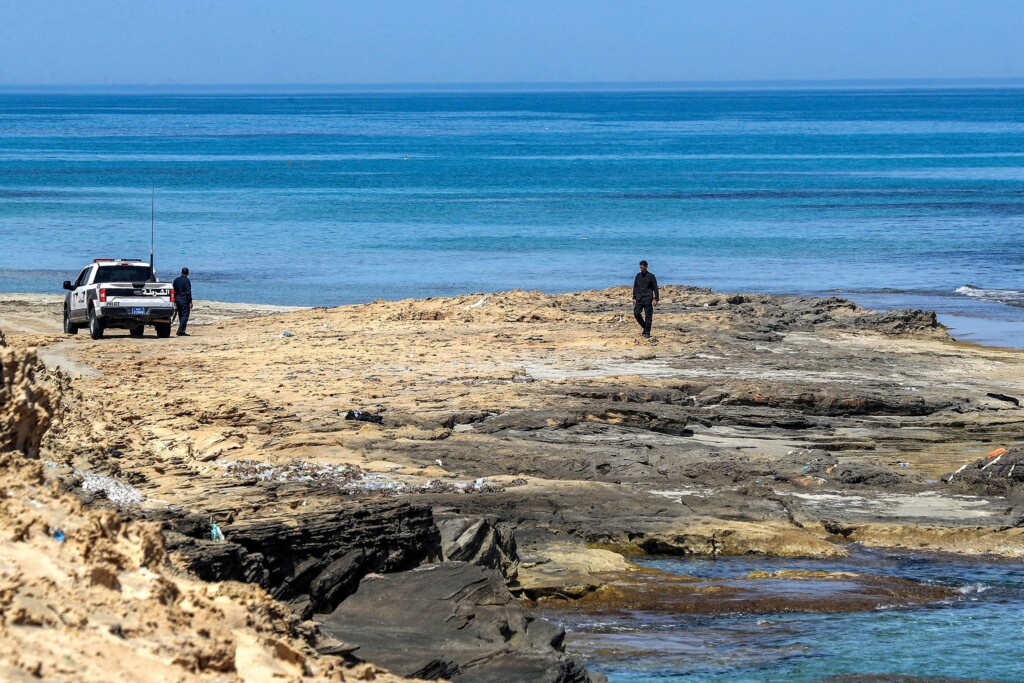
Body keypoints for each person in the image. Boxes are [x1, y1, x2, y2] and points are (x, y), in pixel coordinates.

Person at [632, 260, 659, 338]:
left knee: (648, 316)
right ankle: (645, 327)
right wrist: (634, 297)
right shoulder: (638, 276)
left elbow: (655, 288)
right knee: (636, 313)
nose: (641, 269)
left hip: (648, 298)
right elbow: (635, 287)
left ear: (646, 266)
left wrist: (656, 299)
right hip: (639, 298)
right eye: (640, 267)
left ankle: (647, 332)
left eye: (642, 267)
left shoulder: (651, 276)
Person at [172, 267, 193, 336]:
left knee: (180, 315)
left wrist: (174, 300)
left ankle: (182, 330)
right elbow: (188, 292)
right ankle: (180, 330)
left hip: (177, 299)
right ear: (187, 273)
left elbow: (173, 290)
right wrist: (190, 301)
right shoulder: (187, 281)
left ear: (181, 272)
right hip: (184, 300)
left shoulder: (176, 280)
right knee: (185, 316)